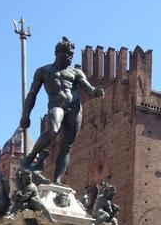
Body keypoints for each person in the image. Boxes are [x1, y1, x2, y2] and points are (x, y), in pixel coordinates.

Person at [19, 37, 105, 184]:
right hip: (56, 105)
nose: (71, 57)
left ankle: (57, 181)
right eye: (68, 54)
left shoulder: (76, 73)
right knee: (53, 129)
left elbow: (88, 88)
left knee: (67, 146)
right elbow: (32, 94)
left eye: (72, 54)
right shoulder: (43, 71)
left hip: (75, 108)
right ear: (58, 53)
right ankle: (30, 158)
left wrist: (95, 92)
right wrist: (25, 115)